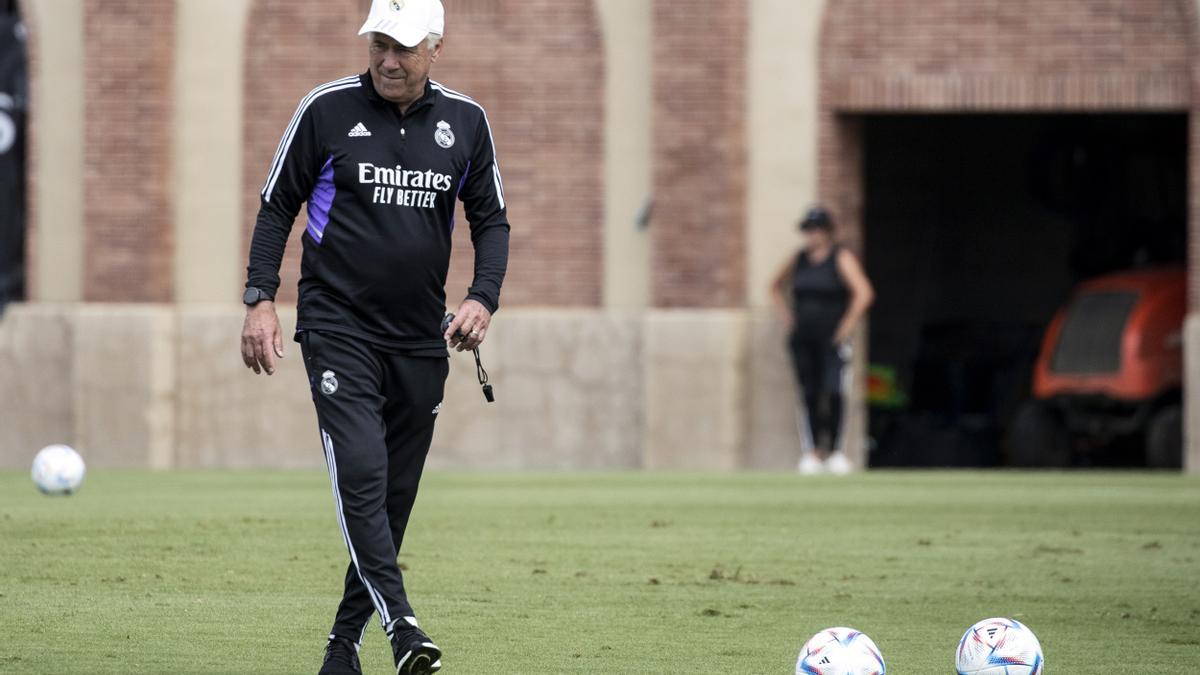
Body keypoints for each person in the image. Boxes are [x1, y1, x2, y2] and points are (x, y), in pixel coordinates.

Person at [240, 0, 509, 672]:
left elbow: (492, 222)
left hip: (421, 338)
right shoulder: (325, 109)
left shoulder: (466, 123)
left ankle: (341, 646)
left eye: (405, 48)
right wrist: (260, 299)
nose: (390, 60)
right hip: (336, 326)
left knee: (392, 499)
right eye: (380, 44)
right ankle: (403, 628)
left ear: (435, 47)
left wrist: (482, 299)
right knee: (360, 471)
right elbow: (277, 206)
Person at [771, 206, 873, 475]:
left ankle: (836, 451)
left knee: (834, 390)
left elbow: (863, 293)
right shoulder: (799, 259)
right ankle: (813, 451)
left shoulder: (840, 258)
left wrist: (845, 326)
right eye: (808, 230)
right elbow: (775, 286)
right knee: (809, 392)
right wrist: (787, 318)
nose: (812, 236)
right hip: (803, 337)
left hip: (832, 338)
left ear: (828, 232)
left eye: (817, 230)